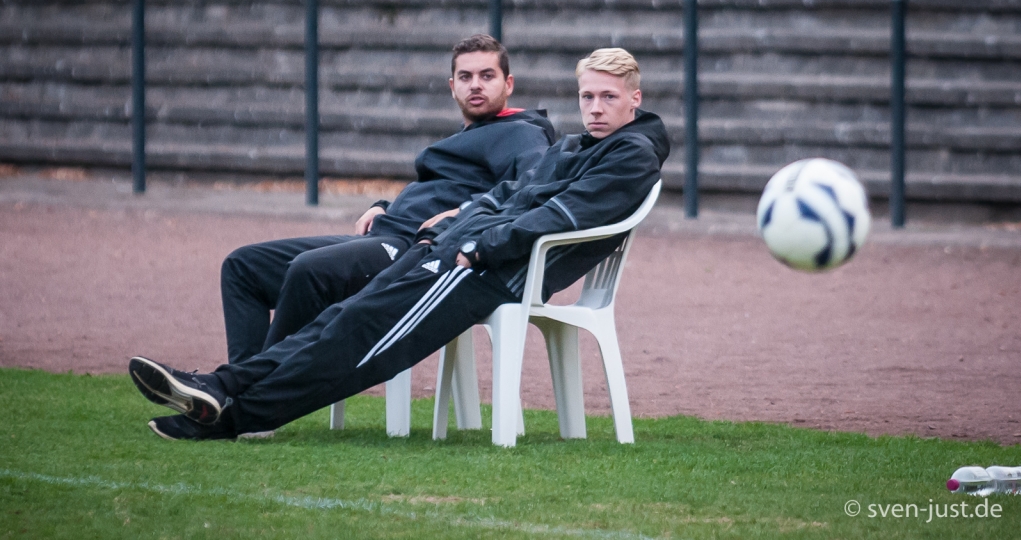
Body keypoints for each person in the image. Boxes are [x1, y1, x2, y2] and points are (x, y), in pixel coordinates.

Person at [129, 48, 670, 441]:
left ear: (634, 99)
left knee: (360, 340)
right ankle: (220, 387)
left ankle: (234, 416)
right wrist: (444, 230)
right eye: (587, 96)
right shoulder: (578, 145)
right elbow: (509, 193)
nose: (595, 107)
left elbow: (555, 216)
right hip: (455, 251)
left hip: (489, 273)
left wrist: (480, 247)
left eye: (608, 97)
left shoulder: (631, 155)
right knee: (339, 319)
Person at [220, 34, 555, 363]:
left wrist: (464, 213)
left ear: (508, 84)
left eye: (487, 76)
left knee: (308, 270)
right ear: (452, 87)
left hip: (418, 250)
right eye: (465, 77)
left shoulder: (523, 133)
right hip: (385, 233)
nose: (475, 85)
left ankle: (254, 389)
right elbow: (438, 189)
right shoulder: (471, 136)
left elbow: (531, 188)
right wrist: (384, 205)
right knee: (243, 266)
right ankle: (235, 387)